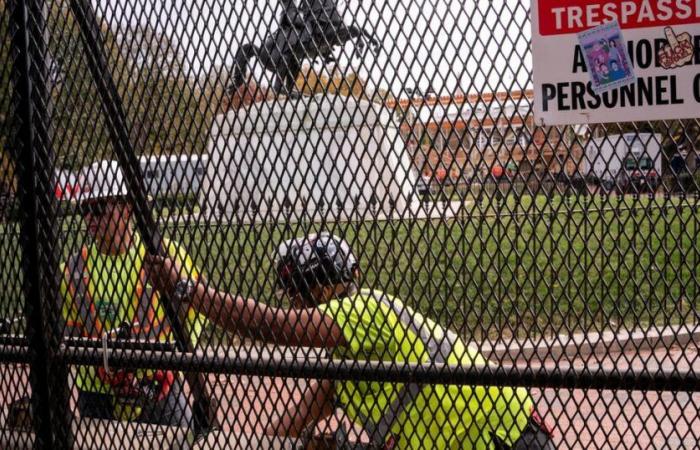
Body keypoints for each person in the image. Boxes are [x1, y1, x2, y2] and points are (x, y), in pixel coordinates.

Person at [144, 232, 555, 449]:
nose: (294, 304)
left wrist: (188, 291)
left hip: (506, 439)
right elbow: (289, 425)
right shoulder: (341, 368)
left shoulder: (366, 309)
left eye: (299, 293)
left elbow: (280, 329)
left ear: (324, 290)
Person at [59, 160, 208, 425]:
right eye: (85, 210)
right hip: (97, 392)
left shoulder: (167, 256)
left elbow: (199, 313)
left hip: (157, 386)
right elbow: (68, 335)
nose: (89, 219)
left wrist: (170, 363)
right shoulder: (70, 271)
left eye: (98, 208)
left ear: (126, 208)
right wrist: (102, 370)